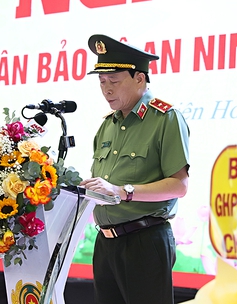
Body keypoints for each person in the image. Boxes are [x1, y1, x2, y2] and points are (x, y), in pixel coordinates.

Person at [80, 34, 190, 304]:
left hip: (145, 241)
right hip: (106, 242)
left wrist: (121, 191)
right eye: (102, 82)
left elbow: (179, 186)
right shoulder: (107, 124)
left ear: (139, 78)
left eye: (114, 82)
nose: (107, 90)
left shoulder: (166, 119)